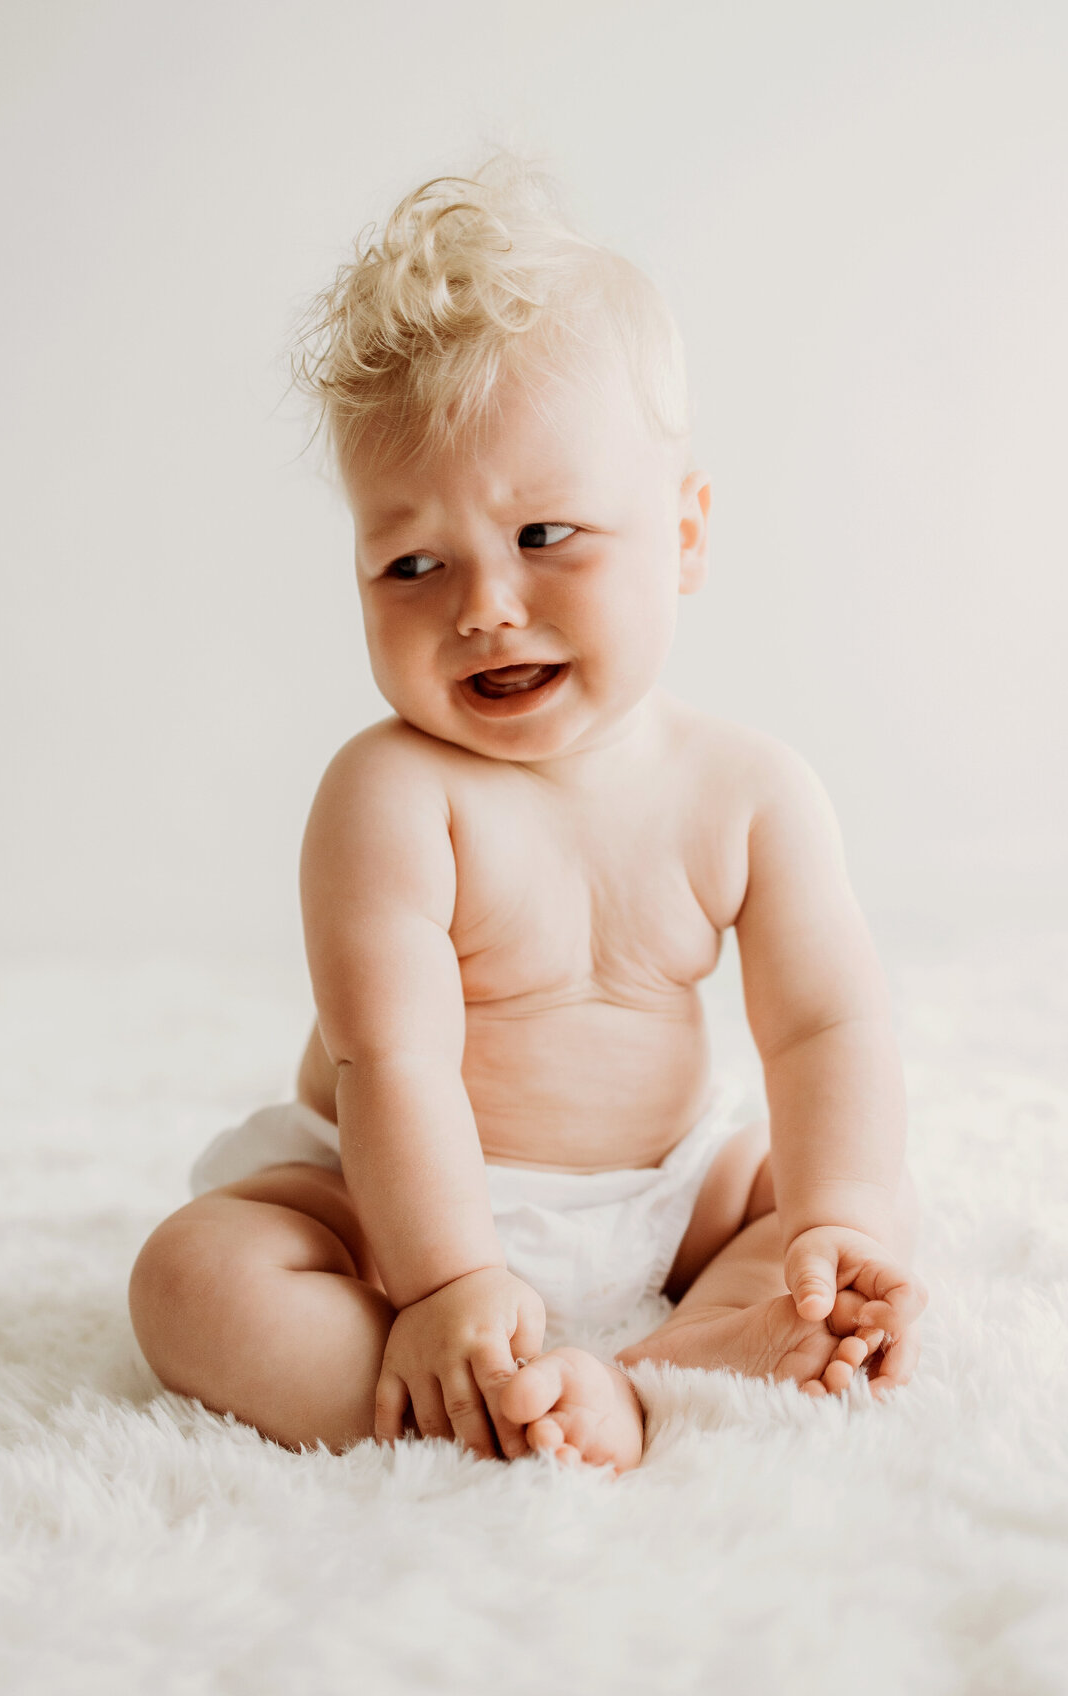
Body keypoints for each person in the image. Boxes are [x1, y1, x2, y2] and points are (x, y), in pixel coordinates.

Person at [129, 160, 926, 1471]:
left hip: (666, 1195)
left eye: (546, 533)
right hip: (392, 1210)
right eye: (413, 564)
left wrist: (840, 1218)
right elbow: (394, 1062)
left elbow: (830, 1024)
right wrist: (442, 1281)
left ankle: (657, 1363)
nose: (485, 604)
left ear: (684, 535)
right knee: (197, 1277)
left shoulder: (751, 791)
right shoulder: (392, 793)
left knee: (847, 1203)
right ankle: (467, 1391)